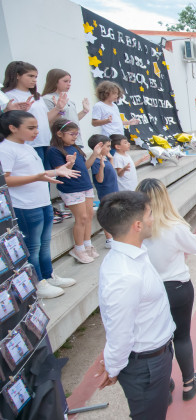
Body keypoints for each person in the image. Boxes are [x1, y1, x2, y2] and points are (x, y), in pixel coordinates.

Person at [94, 191, 176, 420]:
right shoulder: (124, 276)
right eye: (150, 214)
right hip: (147, 366)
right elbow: (120, 332)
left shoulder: (134, 253)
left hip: (155, 356)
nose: (154, 219)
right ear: (138, 225)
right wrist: (113, 366)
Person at [137, 179, 196, 401]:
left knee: (158, 341)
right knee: (181, 336)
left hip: (149, 291)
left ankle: (164, 386)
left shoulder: (135, 227)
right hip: (177, 287)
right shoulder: (173, 226)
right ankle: (188, 384)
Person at [0, 111, 78, 298]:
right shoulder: (5, 149)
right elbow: (6, 180)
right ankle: (36, 283)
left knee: (44, 243)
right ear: (12, 128)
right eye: (31, 128)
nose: (36, 131)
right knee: (32, 246)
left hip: (41, 202)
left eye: (36, 127)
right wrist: (38, 177)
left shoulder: (27, 147)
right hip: (25, 206)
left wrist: (58, 171)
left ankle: (48, 275)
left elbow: (39, 174)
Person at [47, 119, 100, 263]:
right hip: (71, 188)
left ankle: (88, 245)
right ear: (59, 133)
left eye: (76, 134)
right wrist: (69, 164)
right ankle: (79, 248)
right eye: (71, 133)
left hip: (85, 185)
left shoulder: (75, 147)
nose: (75, 136)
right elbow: (62, 172)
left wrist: (94, 154)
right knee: (81, 217)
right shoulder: (54, 150)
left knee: (89, 215)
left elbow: (86, 166)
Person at [2, 62, 55, 169]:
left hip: (45, 140)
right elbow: (9, 121)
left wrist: (58, 109)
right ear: (17, 75)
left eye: (36, 77)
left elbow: (45, 118)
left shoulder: (36, 96)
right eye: (30, 76)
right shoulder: (8, 95)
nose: (34, 80)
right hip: (30, 143)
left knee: (47, 177)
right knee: (36, 175)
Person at [41, 68, 89, 147]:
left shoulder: (69, 101)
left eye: (70, 81)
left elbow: (71, 119)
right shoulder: (47, 99)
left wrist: (84, 111)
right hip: (63, 142)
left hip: (76, 140)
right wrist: (58, 109)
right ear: (55, 81)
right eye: (65, 81)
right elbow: (50, 121)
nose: (69, 84)